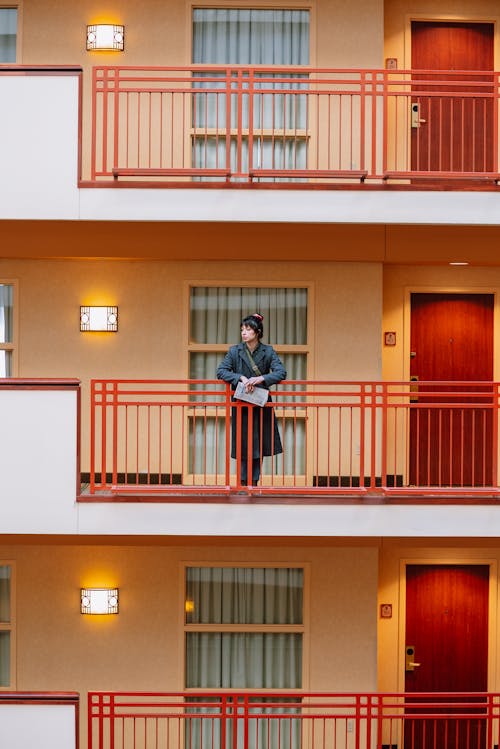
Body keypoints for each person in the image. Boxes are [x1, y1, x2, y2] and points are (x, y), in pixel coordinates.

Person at [217, 313, 286, 486]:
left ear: (257, 331)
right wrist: (241, 378)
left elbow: (281, 372)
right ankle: (242, 482)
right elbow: (221, 371)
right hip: (241, 403)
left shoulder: (268, 351)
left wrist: (261, 378)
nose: (244, 333)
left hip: (261, 404)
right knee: (242, 444)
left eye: (248, 329)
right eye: (242, 329)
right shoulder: (235, 351)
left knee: (260, 444)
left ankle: (253, 482)